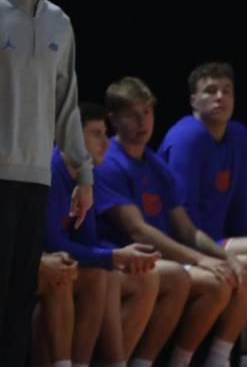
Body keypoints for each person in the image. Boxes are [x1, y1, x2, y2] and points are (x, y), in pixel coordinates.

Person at [94, 77, 247, 367]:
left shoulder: (154, 163)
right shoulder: (108, 162)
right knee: (181, 276)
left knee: (227, 277)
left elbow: (185, 228)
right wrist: (199, 260)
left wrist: (223, 257)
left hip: (159, 260)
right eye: (132, 115)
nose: (142, 121)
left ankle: (187, 361)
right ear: (114, 120)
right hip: (122, 258)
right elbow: (137, 230)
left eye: (146, 112)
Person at [1, 0, 93, 362]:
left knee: (20, 298)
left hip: (35, 179)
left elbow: (66, 106)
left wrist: (83, 173)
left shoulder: (60, 23)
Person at [158, 62, 247, 367]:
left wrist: (234, 249)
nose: (220, 97)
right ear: (193, 100)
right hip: (188, 246)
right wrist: (219, 256)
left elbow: (238, 208)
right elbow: (182, 223)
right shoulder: (187, 137)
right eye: (210, 91)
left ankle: (235, 357)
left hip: (220, 240)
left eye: (226, 91)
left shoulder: (238, 135)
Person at [43, 102, 161, 366]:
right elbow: (51, 243)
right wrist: (113, 256)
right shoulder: (51, 169)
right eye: (97, 134)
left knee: (118, 276)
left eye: (105, 134)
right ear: (70, 137)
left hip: (67, 261)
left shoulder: (86, 177)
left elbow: (86, 240)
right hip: (37, 264)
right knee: (91, 274)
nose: (106, 144)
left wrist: (112, 257)